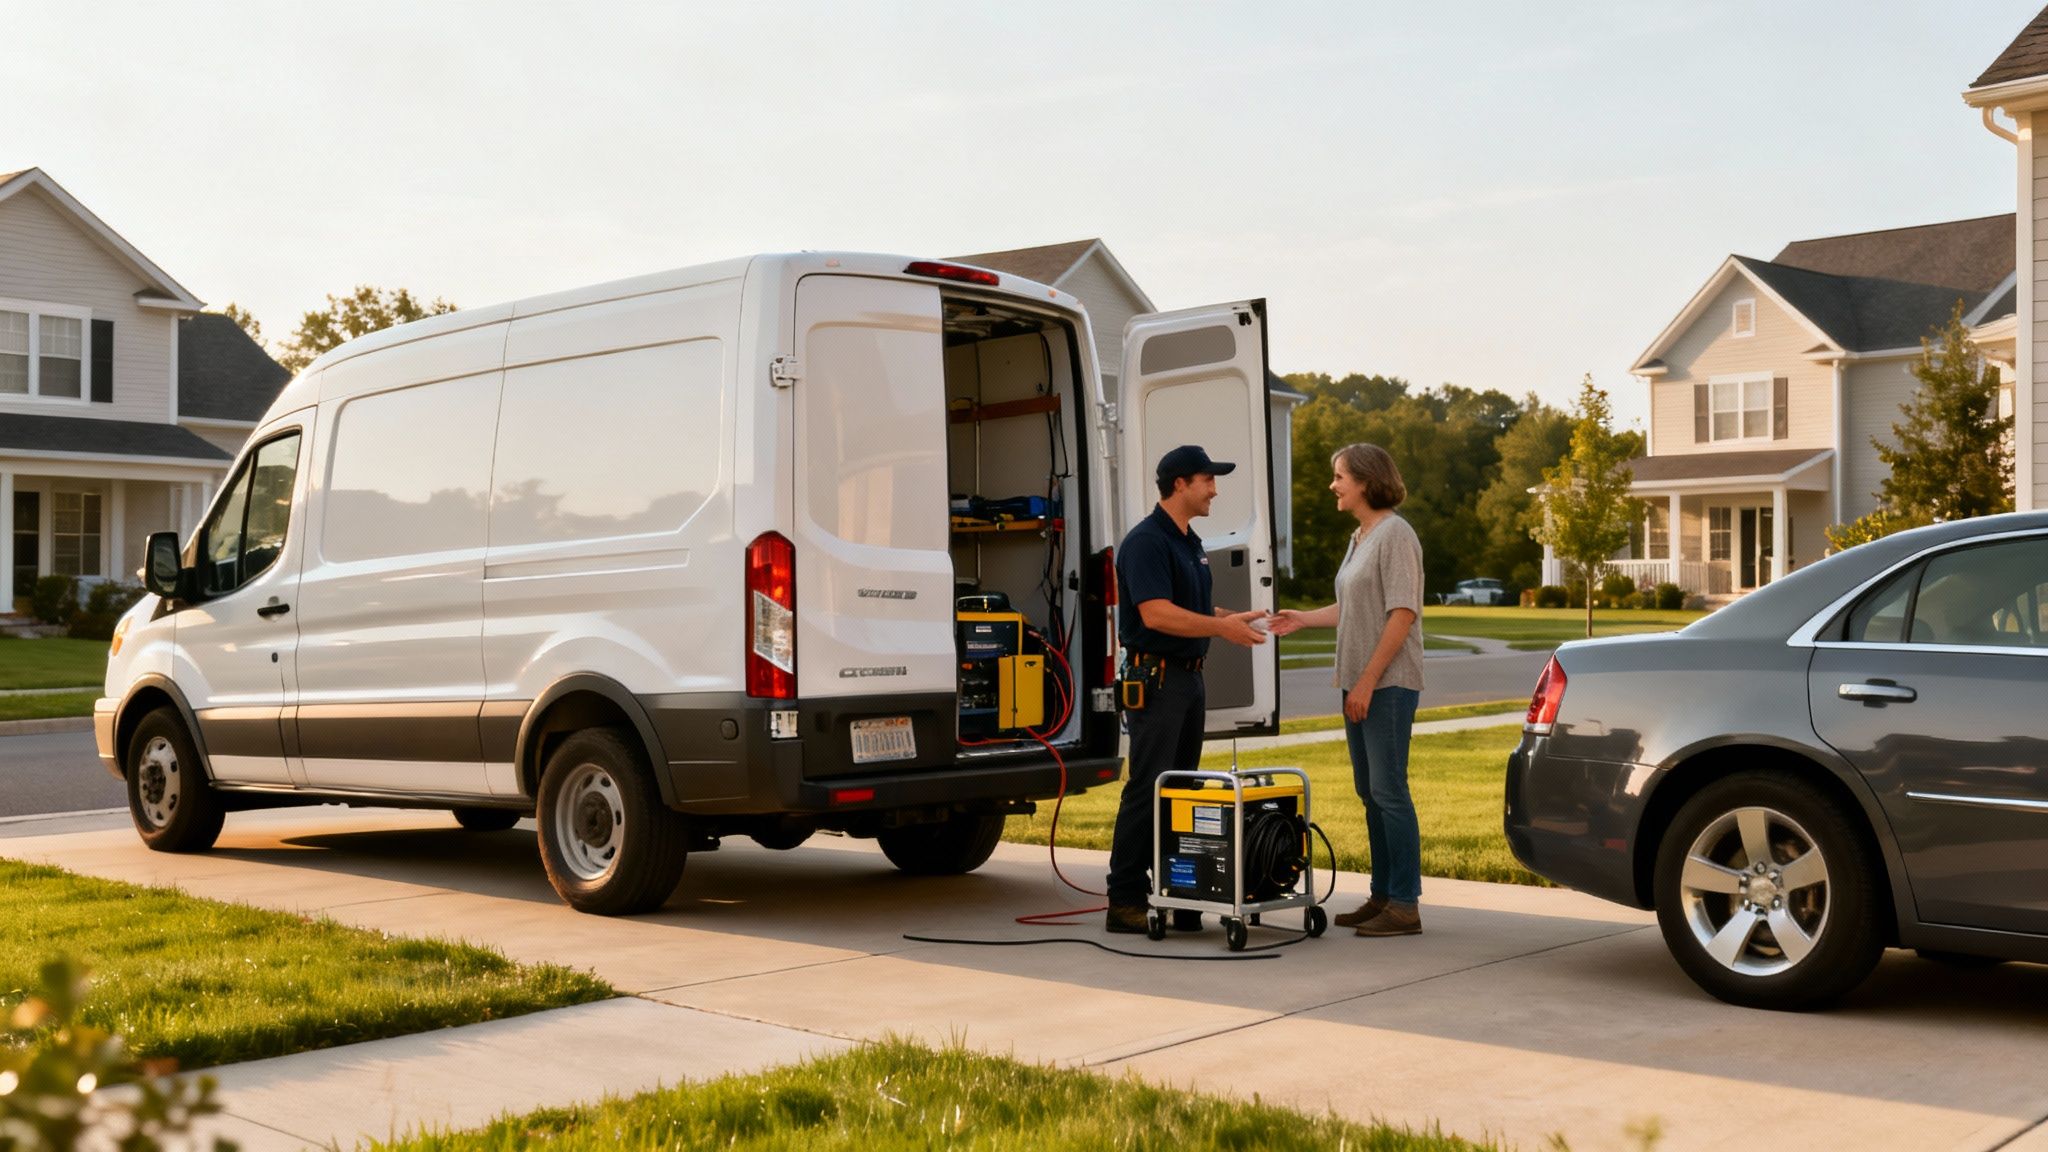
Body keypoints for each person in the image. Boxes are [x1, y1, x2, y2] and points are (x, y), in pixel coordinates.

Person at [1103, 445, 1270, 934]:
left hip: (1186, 679)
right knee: (1149, 789)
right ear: (1180, 484)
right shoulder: (1147, 542)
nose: (1214, 489)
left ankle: (1178, 893)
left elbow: (1187, 605)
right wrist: (1220, 631)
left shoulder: (1186, 539)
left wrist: (1226, 618)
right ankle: (1125, 899)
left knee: (1179, 790)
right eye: (1207, 480)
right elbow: (1155, 614)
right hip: (1157, 682)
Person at [1268, 443, 1425, 936]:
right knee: (1369, 791)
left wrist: (1367, 682)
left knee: (1389, 790)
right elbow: (1350, 609)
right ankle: (1382, 896)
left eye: (1339, 477)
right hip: (1360, 684)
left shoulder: (1396, 534)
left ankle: (1405, 905)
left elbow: (1401, 613)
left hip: (1388, 685)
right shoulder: (1360, 537)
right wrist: (1302, 619)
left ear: (1365, 480)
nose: (1333, 485)